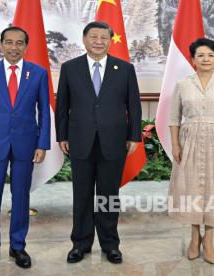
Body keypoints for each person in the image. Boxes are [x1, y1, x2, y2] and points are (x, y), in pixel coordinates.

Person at [55, 21, 142, 264]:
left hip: (114, 141)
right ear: (84, 39)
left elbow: (133, 105)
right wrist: (62, 135)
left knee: (108, 196)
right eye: (94, 36)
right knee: (81, 195)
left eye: (104, 37)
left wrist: (134, 135)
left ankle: (110, 244)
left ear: (110, 41)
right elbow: (62, 105)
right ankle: (80, 244)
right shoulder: (70, 68)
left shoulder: (124, 69)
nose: (99, 41)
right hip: (80, 140)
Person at [0, 26, 50, 271]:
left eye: (19, 43)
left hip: (26, 144)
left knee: (21, 196)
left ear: (26, 46)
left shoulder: (38, 73)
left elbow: (44, 111)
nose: (14, 47)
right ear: (1, 44)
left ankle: (18, 246)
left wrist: (42, 143)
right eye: (9, 42)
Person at [167, 38, 214, 264]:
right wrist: (175, 145)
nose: (205, 59)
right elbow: (173, 119)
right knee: (189, 187)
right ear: (193, 60)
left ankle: (208, 238)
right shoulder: (182, 85)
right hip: (189, 140)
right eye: (200, 55)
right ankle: (194, 236)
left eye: (210, 55)